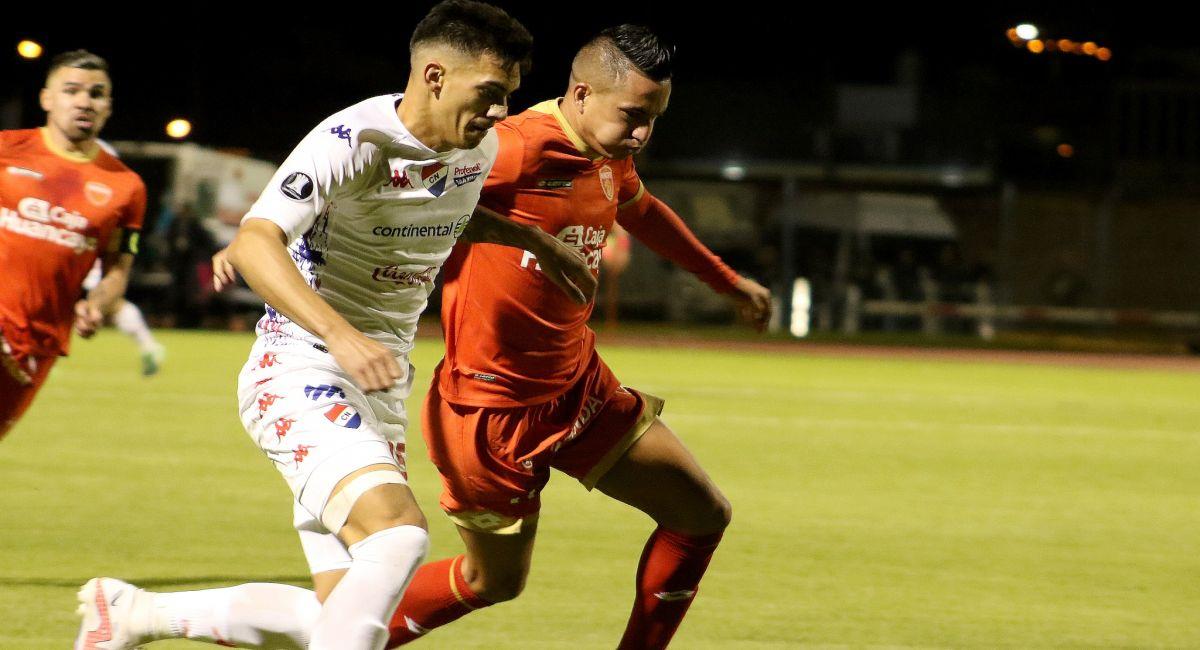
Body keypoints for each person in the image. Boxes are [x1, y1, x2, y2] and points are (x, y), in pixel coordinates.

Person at [73, 3, 588, 650]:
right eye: (488, 94)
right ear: (433, 75)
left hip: (379, 391)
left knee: (339, 618)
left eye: (507, 98)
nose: (498, 114)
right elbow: (258, 239)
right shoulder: (352, 140)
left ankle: (135, 615)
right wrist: (342, 333)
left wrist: (535, 241)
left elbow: (440, 213)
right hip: (300, 373)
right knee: (399, 535)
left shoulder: (474, 148)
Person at [384, 25, 772, 649]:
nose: (643, 133)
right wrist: (526, 238)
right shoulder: (513, 149)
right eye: (634, 115)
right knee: (493, 581)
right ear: (583, 93)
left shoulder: (609, 153)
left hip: (577, 389)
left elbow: (642, 210)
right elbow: (402, 201)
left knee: (701, 516)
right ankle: (335, 635)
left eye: (654, 119)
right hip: (489, 413)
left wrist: (724, 282)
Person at [0, 49, 147, 439]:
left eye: (97, 94)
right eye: (72, 90)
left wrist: (97, 305)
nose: (85, 101)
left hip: (37, 343)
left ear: (108, 107)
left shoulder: (125, 187)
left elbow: (118, 270)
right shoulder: (6, 149)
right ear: (47, 99)